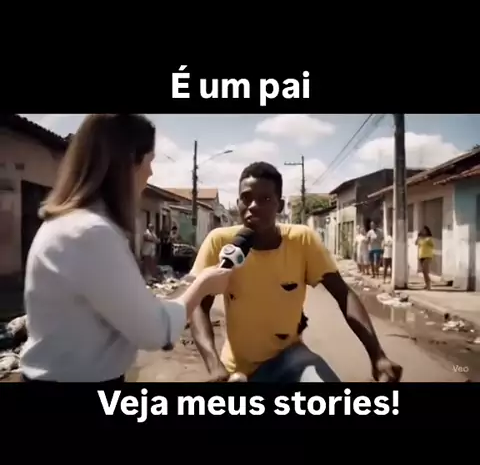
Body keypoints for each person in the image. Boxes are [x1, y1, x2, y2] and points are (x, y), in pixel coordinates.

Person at [19, 114, 231, 384]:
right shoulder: (91, 233)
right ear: (128, 162)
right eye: (149, 161)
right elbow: (155, 331)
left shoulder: (66, 224)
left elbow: (124, 310)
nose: (151, 173)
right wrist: (202, 285)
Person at [189, 162, 403, 384]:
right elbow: (197, 305)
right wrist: (214, 366)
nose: (253, 206)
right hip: (236, 372)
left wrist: (377, 356)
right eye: (246, 198)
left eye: (265, 199)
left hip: (289, 359)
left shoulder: (302, 240)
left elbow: (343, 294)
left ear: (280, 205)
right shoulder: (221, 243)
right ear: (237, 203)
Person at [416, 226, 434, 290]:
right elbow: (416, 243)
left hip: (427, 256)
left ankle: (429, 285)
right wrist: (418, 237)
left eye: (424, 230)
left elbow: (432, 245)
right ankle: (426, 284)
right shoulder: (421, 239)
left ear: (427, 231)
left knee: (425, 271)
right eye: (422, 230)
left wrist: (426, 240)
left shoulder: (429, 238)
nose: (422, 231)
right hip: (421, 256)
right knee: (424, 272)